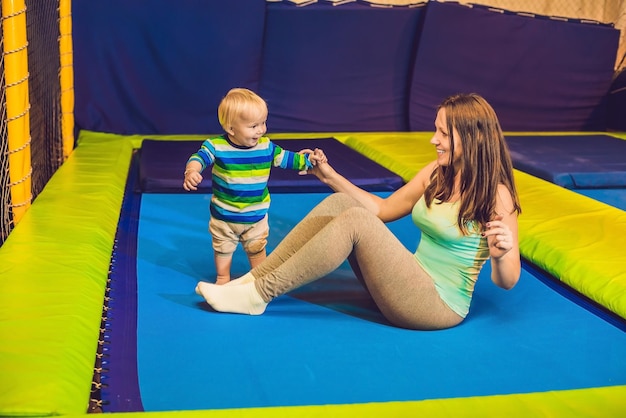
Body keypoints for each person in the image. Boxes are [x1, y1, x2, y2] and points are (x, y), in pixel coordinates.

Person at [195, 93, 522, 330]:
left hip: (437, 306)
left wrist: (499, 255)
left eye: (444, 134)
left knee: (355, 220)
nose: (434, 140)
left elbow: (507, 281)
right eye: (435, 129)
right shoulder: (438, 171)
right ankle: (251, 281)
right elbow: (382, 209)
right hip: (408, 279)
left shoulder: (497, 196)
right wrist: (330, 176)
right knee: (343, 205)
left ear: (474, 138)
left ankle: (257, 295)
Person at [183, 88, 326, 285]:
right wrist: (192, 171)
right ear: (231, 129)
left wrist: (308, 160)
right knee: (223, 248)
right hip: (224, 216)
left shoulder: (266, 147)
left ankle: (259, 279)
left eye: (263, 123)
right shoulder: (216, 146)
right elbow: (199, 157)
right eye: (253, 126)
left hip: (256, 216)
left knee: (257, 247)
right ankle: (223, 278)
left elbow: (287, 158)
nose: (261, 130)